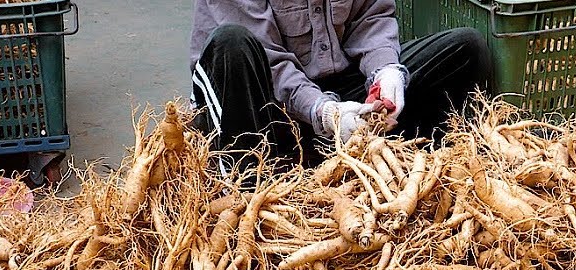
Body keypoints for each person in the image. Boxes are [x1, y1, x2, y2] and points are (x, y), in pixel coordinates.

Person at [189, 1, 492, 168]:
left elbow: (370, 18)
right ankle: (251, 185)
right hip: (264, 109)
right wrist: (324, 112)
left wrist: (385, 72)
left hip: (337, 98)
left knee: (464, 50)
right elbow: (272, 63)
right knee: (232, 44)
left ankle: (411, 169)